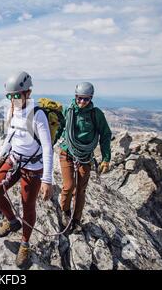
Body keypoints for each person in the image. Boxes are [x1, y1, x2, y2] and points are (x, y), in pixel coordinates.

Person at [0, 72, 54, 269]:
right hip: (14, 159)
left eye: (17, 95)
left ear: (28, 93)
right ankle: (12, 221)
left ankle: (25, 243)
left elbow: (47, 147)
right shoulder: (13, 111)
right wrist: (0, 157)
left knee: (28, 205)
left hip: (33, 166)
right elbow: (10, 136)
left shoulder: (38, 114)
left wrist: (47, 179)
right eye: (10, 96)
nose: (13, 100)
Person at [55, 82, 111, 233]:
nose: (82, 102)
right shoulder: (68, 111)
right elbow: (59, 129)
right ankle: (65, 212)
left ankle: (76, 219)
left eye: (85, 99)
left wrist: (106, 158)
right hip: (67, 152)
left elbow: (105, 135)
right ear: (75, 97)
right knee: (68, 186)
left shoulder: (96, 114)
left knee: (80, 190)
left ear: (91, 98)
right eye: (79, 98)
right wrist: (47, 146)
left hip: (85, 157)